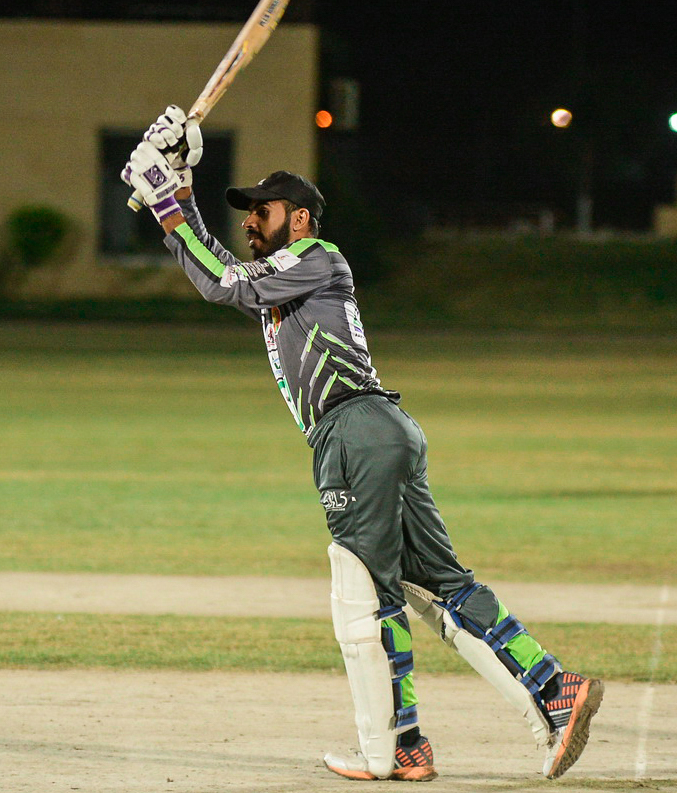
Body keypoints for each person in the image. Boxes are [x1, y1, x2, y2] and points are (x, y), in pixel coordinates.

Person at [122, 106, 603, 782]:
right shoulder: (285, 274)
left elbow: (224, 284)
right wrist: (175, 190)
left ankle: (391, 750)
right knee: (436, 585)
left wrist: (168, 206)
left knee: (362, 597)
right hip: (379, 430)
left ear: (299, 218)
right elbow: (221, 272)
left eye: (263, 210)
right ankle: (553, 689)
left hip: (352, 434)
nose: (251, 220)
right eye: (248, 211)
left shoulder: (315, 257)